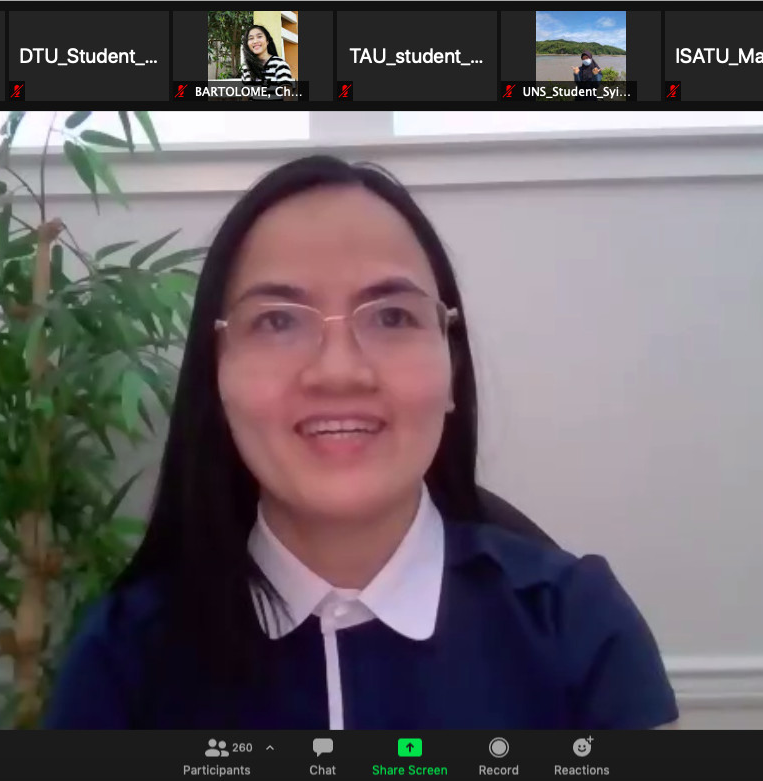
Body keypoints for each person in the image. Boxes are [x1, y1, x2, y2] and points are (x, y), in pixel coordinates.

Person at [45, 155, 680, 730]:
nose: (339, 371)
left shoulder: (577, 628)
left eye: (392, 317)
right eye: (277, 321)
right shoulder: (124, 658)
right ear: (217, 375)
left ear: (452, 368)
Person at [239, 24, 293, 101]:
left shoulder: (279, 64)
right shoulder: (246, 68)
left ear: (267, 41)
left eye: (259, 36)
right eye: (251, 38)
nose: (255, 41)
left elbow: (288, 97)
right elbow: (245, 97)